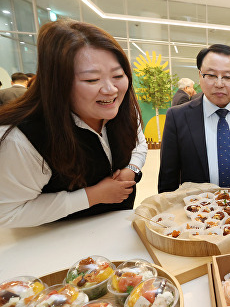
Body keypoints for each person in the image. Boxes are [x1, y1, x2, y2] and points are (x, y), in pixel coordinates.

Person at [0, 19, 147, 228]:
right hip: (56, 245)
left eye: (117, 75)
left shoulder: (122, 108)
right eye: (92, 80)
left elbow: (139, 141)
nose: (111, 90)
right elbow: (6, 213)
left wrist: (132, 167)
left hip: (115, 231)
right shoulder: (23, 138)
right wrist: (91, 196)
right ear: (58, 83)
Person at [158, 44, 230, 193]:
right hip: (196, 212)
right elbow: (167, 180)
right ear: (200, 76)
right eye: (211, 75)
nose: (219, 84)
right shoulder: (178, 117)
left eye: (227, 77)